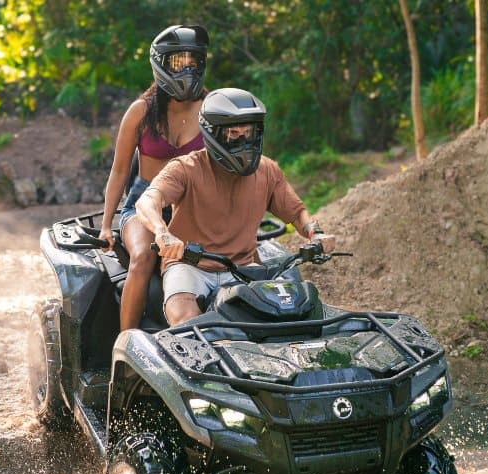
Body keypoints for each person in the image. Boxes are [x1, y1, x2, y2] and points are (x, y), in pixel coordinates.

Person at [135, 87, 336, 326]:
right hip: (190, 266)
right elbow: (148, 201)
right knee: (186, 321)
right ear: (212, 133)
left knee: (287, 319)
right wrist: (162, 233)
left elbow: (298, 213)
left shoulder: (267, 170)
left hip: (243, 269)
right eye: (233, 133)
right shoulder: (185, 168)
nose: (243, 140)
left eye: (248, 132)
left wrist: (315, 232)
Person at [98, 25, 209, 331]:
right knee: (144, 257)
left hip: (194, 204)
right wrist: (107, 225)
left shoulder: (213, 108)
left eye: (193, 61)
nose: (187, 68)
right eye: (178, 61)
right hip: (144, 205)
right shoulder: (140, 111)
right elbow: (119, 171)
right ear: (161, 63)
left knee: (214, 262)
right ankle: (126, 349)